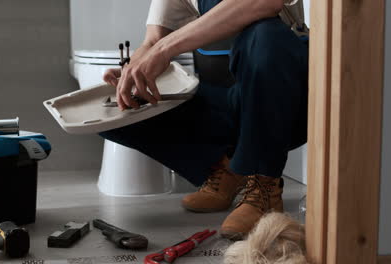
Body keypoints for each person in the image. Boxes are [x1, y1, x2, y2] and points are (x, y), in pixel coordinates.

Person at [100, 0, 308, 240]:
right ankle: (228, 168)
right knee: (111, 112)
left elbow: (263, 3)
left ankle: (263, 184)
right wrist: (133, 71)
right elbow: (153, 40)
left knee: (265, 36)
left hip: (287, 103)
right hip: (230, 101)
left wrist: (164, 50)